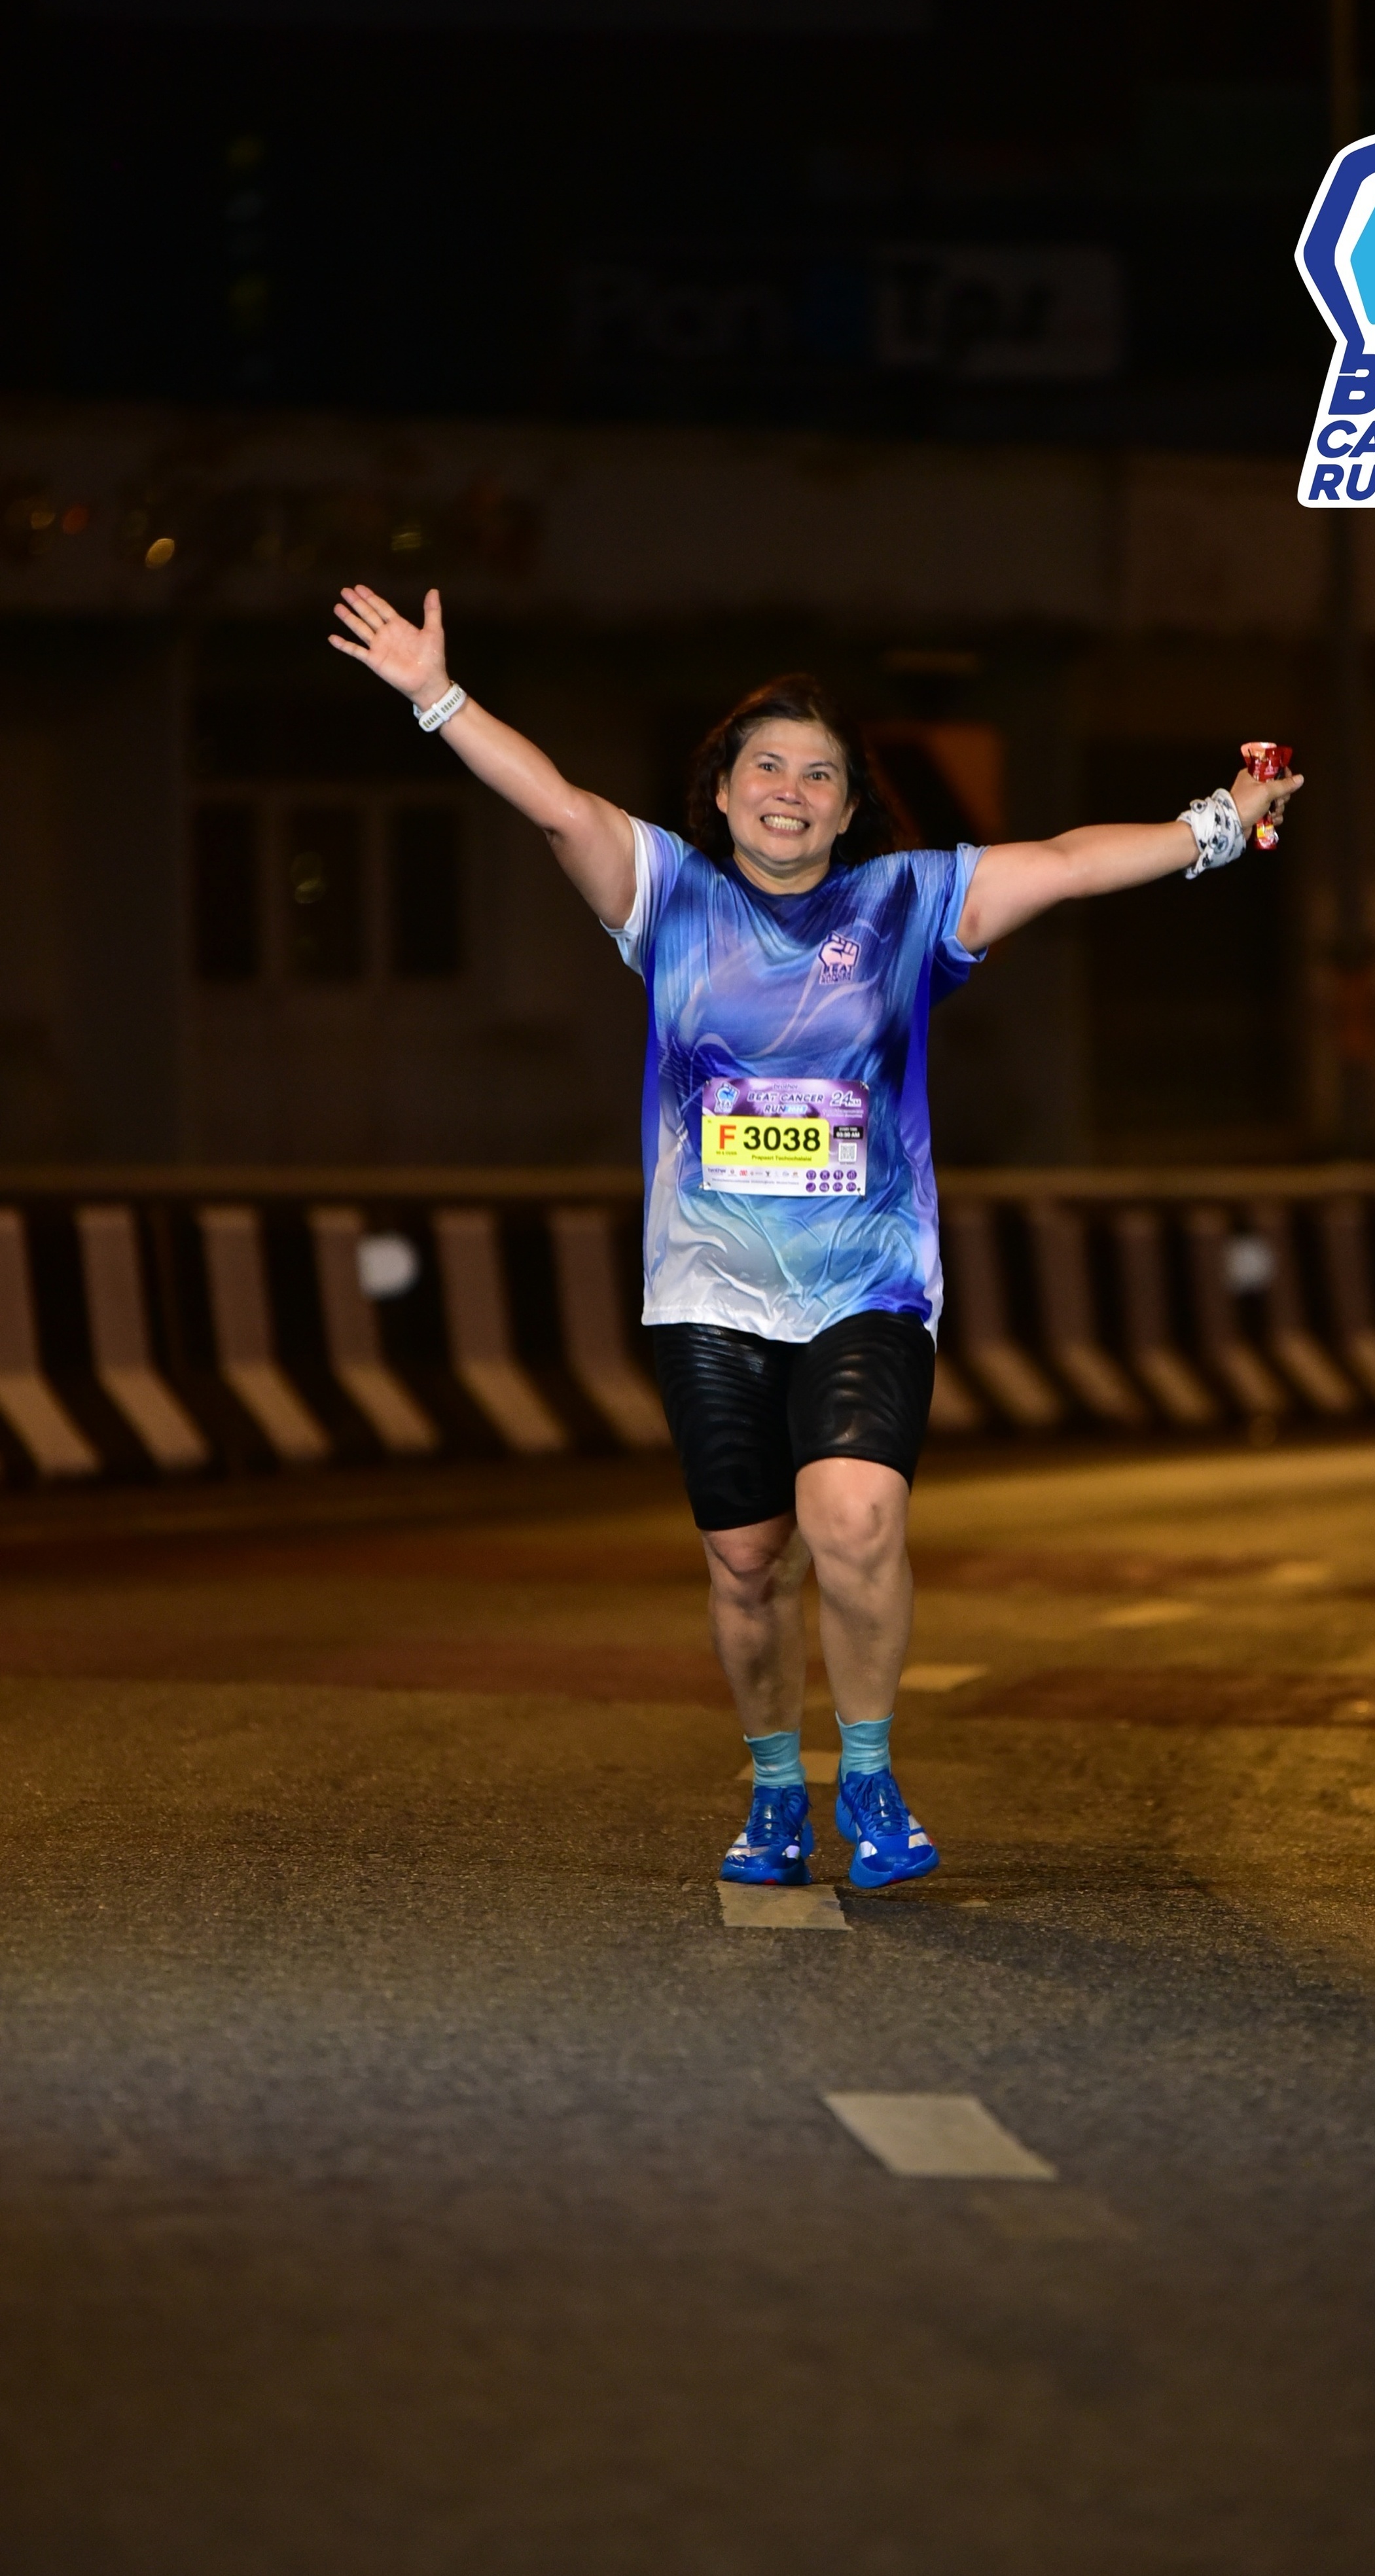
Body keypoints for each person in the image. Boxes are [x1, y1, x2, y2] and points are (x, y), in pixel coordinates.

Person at [330, 582, 1303, 1891]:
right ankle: (776, 1788)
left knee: (854, 1518)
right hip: (707, 1293)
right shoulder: (665, 895)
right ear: (721, 792)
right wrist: (436, 698)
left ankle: (872, 1772)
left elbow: (1069, 862)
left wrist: (1219, 824)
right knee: (747, 1564)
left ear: (849, 811)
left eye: (820, 774)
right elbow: (556, 805)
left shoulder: (907, 906)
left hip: (868, 1284)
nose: (790, 790)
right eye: (767, 767)